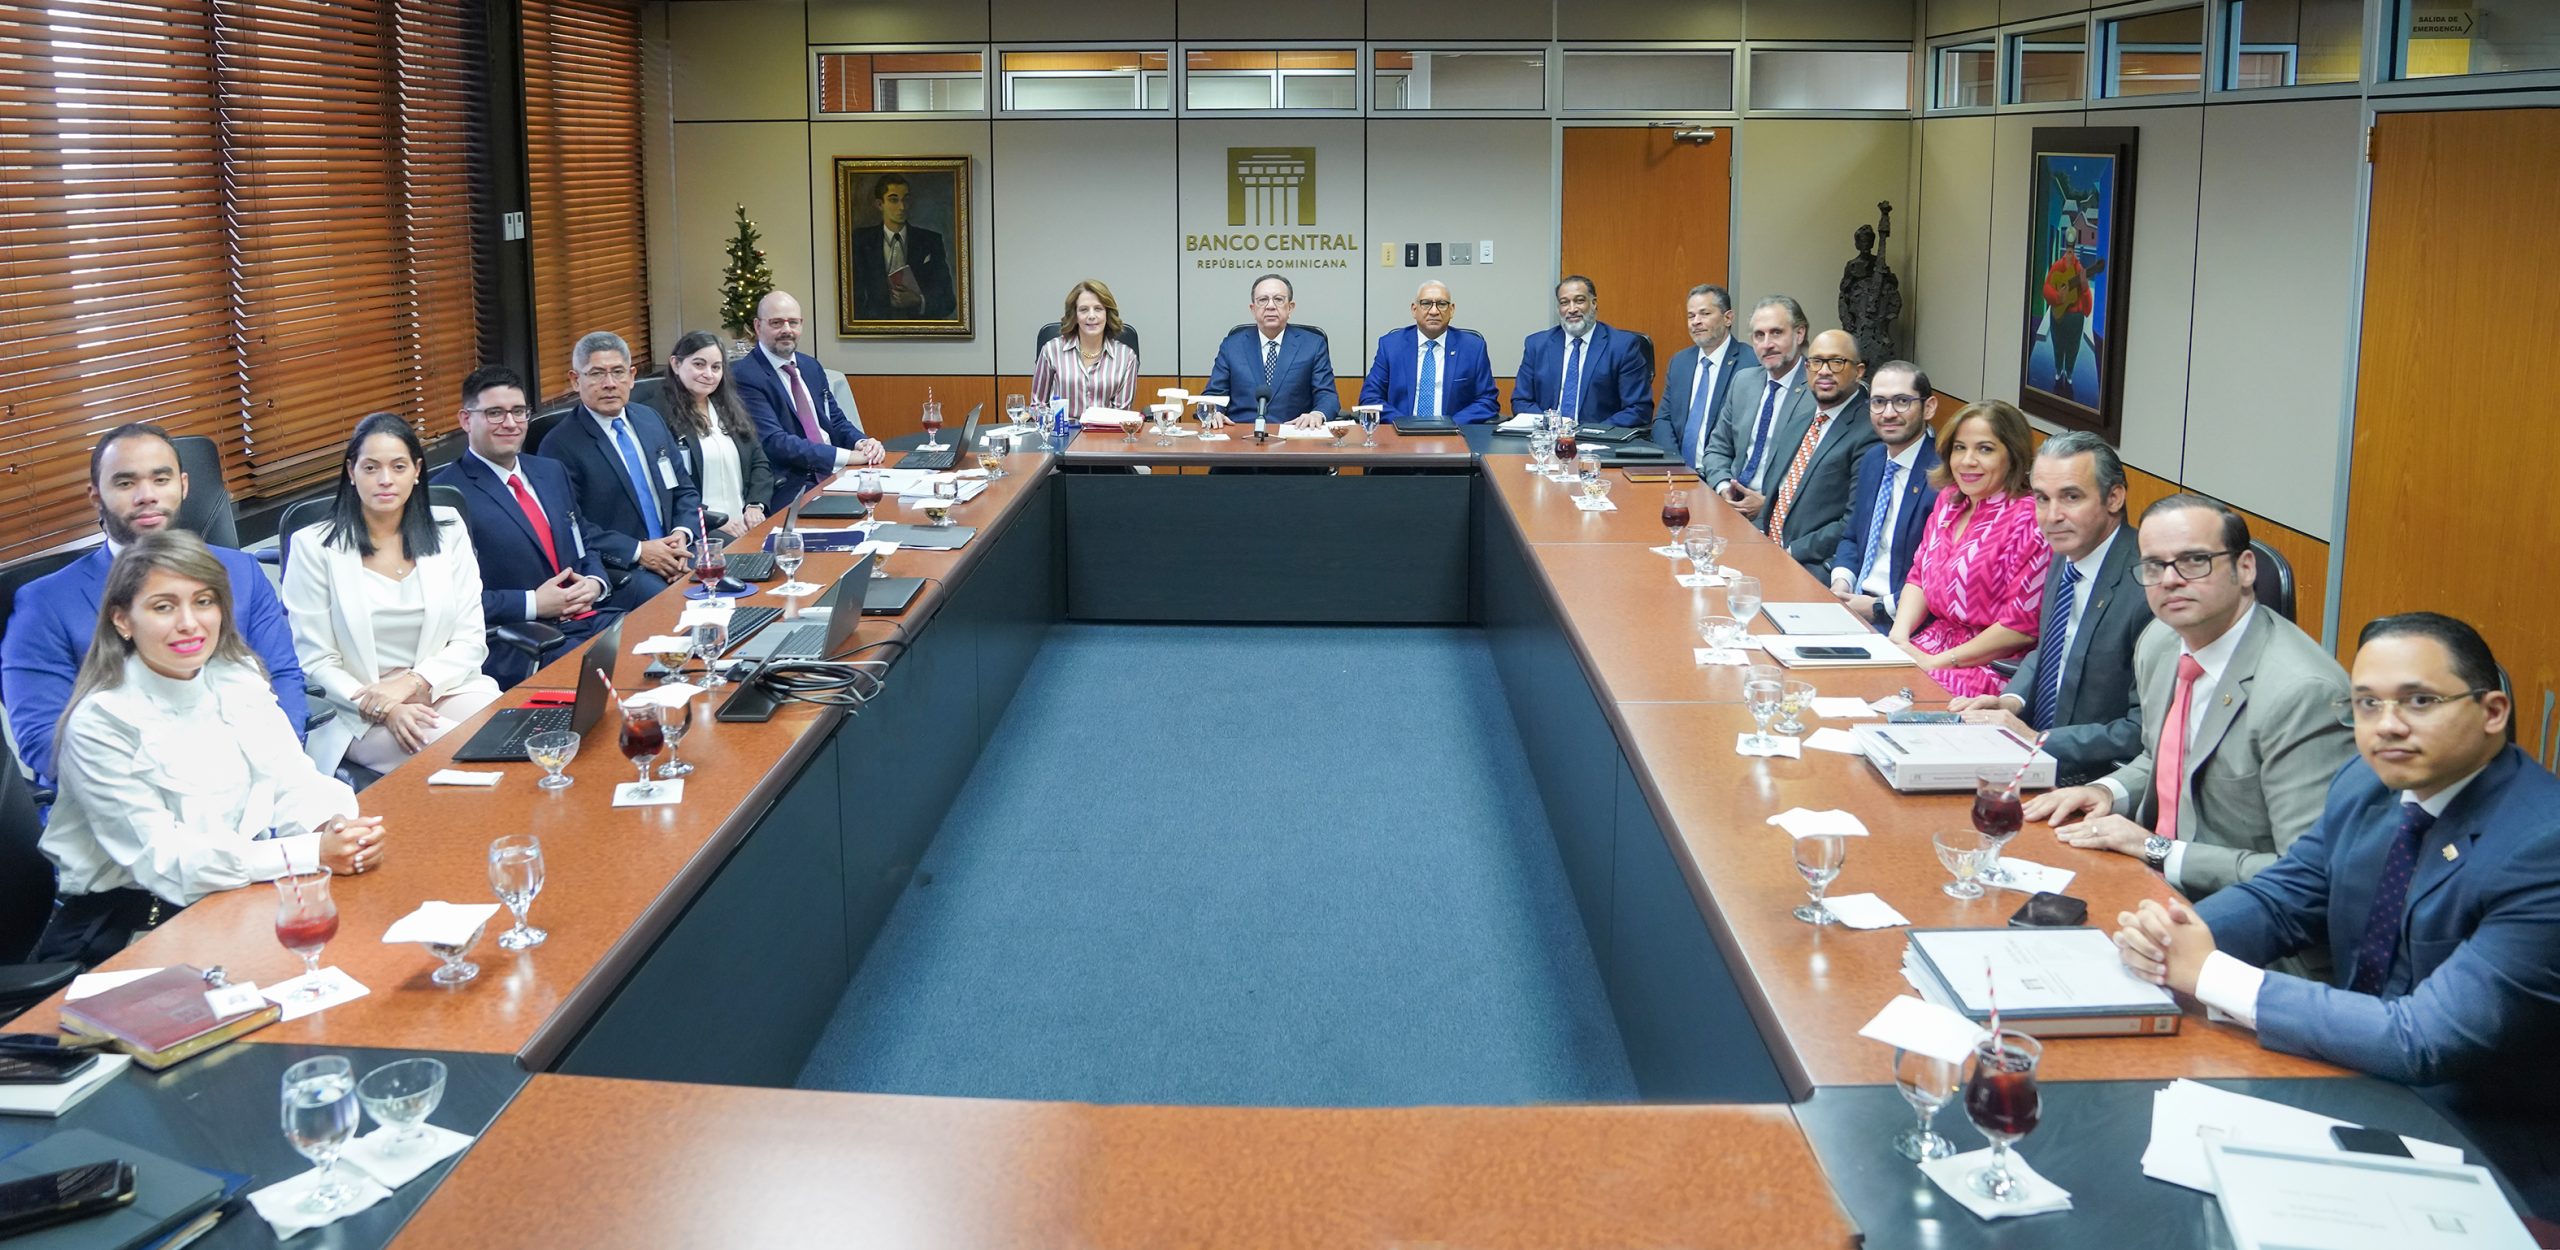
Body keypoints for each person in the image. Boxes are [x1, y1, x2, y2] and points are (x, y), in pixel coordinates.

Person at [2111, 613, 2560, 1215]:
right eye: (2367, 704)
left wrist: (2209, 972)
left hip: (2486, 1143)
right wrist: (2174, 937)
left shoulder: (2543, 846)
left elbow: (2423, 1039)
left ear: (2493, 712)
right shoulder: (2366, 783)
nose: (2388, 725)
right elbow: (2283, 899)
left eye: (2419, 701)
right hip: (2347, 1074)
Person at [33, 530, 385, 966]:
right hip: (132, 928)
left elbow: (290, 778)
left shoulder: (236, 677)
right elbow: (166, 860)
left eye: (203, 601)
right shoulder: (101, 721)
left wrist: (333, 828)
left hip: (235, 895)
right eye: (164, 606)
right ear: (122, 620)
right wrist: (309, 852)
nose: (189, 622)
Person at [2029, 494, 2355, 901]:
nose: (2170, 580)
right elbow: (2163, 758)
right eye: (2154, 565)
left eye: (2194, 561)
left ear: (2245, 568)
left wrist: (2156, 849)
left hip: (2242, 913)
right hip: (2147, 882)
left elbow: (2306, 874)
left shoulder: (2303, 694)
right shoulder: (2161, 641)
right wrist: (2107, 792)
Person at [2, 424, 307, 792]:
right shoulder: (45, 603)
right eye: (125, 483)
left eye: (161, 479)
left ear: (183, 485)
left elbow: (284, 678)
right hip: (119, 803)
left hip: (257, 783)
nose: (146, 496)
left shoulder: (241, 573)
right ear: (96, 495)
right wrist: (192, 785)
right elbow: (44, 740)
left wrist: (274, 770)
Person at [282, 413, 503, 774]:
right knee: (461, 754)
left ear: (416, 471)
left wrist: (412, 683)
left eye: (398, 466)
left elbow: (470, 639)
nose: (385, 479)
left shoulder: (448, 529)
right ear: (351, 471)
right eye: (371, 468)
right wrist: (387, 707)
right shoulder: (314, 547)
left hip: (441, 686)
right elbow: (316, 661)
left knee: (509, 734)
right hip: (356, 711)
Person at [1950, 431, 2152, 785]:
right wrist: (2011, 702)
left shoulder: (2149, 587)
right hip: (2031, 756)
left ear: (2114, 497)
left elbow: (2142, 731)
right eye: (2042, 498)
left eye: (2071, 497)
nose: (2052, 516)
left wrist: (2039, 740)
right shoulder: (2066, 553)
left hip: (2088, 780)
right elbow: (2051, 651)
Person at [431, 365, 650, 687]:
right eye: (495, 413)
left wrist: (594, 582)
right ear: (466, 420)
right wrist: (534, 602)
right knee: (619, 680)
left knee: (658, 649)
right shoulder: (445, 497)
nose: (510, 423)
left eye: (518, 412)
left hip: (589, 619)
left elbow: (583, 541)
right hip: (522, 639)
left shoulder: (551, 472)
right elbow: (450, 601)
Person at [1884, 400, 2049, 699]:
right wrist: (1897, 638)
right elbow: (1919, 576)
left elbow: (2019, 628)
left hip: (1987, 669)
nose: (1967, 461)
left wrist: (1936, 662)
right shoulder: (1949, 500)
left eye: (1985, 449)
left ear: (2013, 455)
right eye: (1960, 448)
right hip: (1928, 646)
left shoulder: (2030, 519)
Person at [538, 331, 698, 591]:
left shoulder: (650, 420)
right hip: (624, 568)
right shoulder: (559, 445)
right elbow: (571, 526)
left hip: (677, 551)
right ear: (575, 380)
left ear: (632, 376)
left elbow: (684, 489)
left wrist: (682, 534)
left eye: (618, 372)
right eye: (596, 374)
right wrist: (639, 551)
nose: (609, 383)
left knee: (733, 570)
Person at [734, 290, 884, 510]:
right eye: (776, 323)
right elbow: (776, 442)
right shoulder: (746, 375)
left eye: (793, 322)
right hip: (793, 484)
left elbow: (836, 420)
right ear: (758, 326)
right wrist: (846, 456)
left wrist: (862, 443)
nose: (787, 330)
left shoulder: (810, 366)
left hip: (838, 474)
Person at [1825, 361, 1941, 629]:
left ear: (1929, 407)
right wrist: (1841, 583)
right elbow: (1852, 537)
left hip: (1903, 621)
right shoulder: (1874, 459)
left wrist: (1878, 607)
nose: (1888, 413)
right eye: (1878, 402)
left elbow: (1937, 578)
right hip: (1852, 602)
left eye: (1901, 401)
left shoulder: (1942, 476)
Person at [1759, 329, 1877, 574]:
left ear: (1859, 371)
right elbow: (1774, 497)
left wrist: (1790, 551)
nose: (1824, 371)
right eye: (1816, 362)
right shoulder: (1799, 422)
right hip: (1766, 552)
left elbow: (1854, 521)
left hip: (1812, 565)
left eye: (1836, 362)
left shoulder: (1869, 432)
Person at [1699, 295, 1813, 518]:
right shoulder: (1744, 381)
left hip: (1781, 518)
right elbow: (1717, 449)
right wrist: (1724, 487)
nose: (1767, 344)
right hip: (1730, 508)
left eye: (1776, 333)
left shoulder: (1817, 390)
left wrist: (1770, 506)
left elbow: (1820, 479)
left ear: (1799, 334)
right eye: (1759, 335)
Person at [659, 330, 775, 539]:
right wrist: (714, 520)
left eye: (716, 367)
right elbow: (671, 486)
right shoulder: (658, 416)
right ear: (676, 364)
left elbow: (758, 461)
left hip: (744, 523)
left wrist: (755, 505)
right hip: (700, 530)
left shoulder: (728, 407)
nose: (709, 374)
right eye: (699, 364)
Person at [1512, 275, 1652, 429]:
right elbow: (1521, 401)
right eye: (1564, 303)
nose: (1572, 309)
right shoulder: (1537, 345)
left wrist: (1590, 433)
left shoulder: (1622, 346)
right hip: (1548, 435)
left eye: (1579, 301)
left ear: (1594, 303)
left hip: (1599, 437)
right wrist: (1551, 426)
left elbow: (1638, 408)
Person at [1203, 274, 1339, 430]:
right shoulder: (1232, 346)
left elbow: (1327, 395)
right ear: (1253, 309)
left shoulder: (1313, 345)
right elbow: (1214, 394)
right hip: (1240, 433)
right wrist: (1214, 412)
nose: (1270, 306)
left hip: (1294, 432)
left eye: (1278, 299)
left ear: (1290, 307)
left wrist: (1317, 414)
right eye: (1263, 300)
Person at [1358, 281, 1496, 424]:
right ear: (1414, 309)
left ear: (1451, 310)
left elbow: (1488, 400)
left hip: (1455, 432)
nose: (1434, 311)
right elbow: (1370, 397)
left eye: (1441, 304)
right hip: (1400, 431)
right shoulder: (1391, 346)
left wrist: (1451, 424)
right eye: (1426, 303)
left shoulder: (1473, 348)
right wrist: (1403, 423)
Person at [1651, 284, 1751, 471]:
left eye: (1705, 314)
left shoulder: (1751, 364)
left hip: (1725, 475)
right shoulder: (1680, 362)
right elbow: (1663, 420)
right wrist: (1675, 464)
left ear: (1728, 318)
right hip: (1677, 470)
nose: (1695, 322)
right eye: (1691, 316)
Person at [848, 173, 958, 321]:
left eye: (906, 199)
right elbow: (852, 299)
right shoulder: (861, 240)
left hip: (919, 330)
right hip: (874, 329)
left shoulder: (930, 241)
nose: (902, 207)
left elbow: (948, 301)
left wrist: (919, 300)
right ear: (879, 204)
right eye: (894, 200)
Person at [1029, 279, 1138, 420]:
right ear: (1075, 315)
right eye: (1083, 309)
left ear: (1107, 313)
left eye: (1098, 309)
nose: (1091, 316)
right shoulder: (1051, 350)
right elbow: (1037, 406)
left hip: (1106, 432)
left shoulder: (1126, 357)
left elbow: (1121, 415)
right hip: (1061, 431)